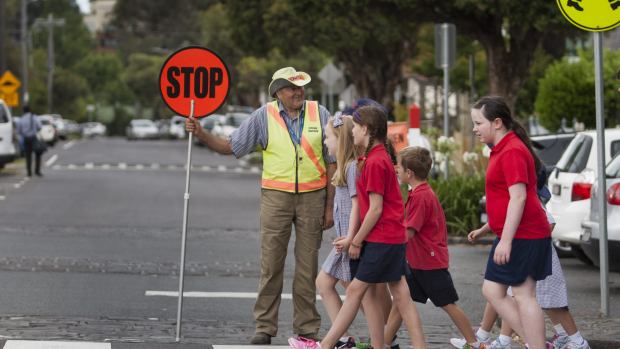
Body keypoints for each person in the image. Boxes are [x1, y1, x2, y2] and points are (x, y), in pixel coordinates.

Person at [185, 67, 337, 344]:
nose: (299, 92)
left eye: (301, 87)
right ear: (278, 91)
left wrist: (329, 208)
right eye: (292, 88)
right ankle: (265, 327)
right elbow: (230, 147)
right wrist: (200, 133)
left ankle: (307, 328)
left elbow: (331, 162)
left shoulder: (320, 113)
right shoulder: (263, 116)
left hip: (313, 198)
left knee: (308, 266)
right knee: (271, 264)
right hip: (276, 198)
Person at [288, 104, 427, 349]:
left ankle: (327, 345)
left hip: (382, 237)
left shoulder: (373, 162)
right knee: (399, 296)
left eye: (356, 127)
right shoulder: (373, 158)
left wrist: (355, 241)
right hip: (389, 237)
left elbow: (374, 209)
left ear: (366, 129)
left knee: (356, 292)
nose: (351, 131)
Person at [452, 167, 590, 349]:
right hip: (526, 253)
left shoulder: (531, 202)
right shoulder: (523, 199)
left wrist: (532, 241)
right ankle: (503, 339)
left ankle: (572, 340)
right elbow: (502, 217)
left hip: (531, 256)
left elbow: (549, 223)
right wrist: (483, 231)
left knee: (539, 301)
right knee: (508, 295)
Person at [379, 146, 485, 349]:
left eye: (399, 167)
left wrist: (383, 238)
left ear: (409, 173)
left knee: (447, 304)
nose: (396, 170)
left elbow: (409, 232)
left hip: (429, 262)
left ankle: (474, 344)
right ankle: (383, 343)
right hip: (419, 261)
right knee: (400, 302)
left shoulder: (421, 196)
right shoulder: (419, 192)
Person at [468, 96, 553, 349]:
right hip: (515, 233)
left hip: (523, 235)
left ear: (496, 123)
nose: (474, 129)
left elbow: (518, 198)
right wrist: (488, 228)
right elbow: (505, 199)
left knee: (520, 295)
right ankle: (536, 344)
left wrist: (505, 240)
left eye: (478, 123)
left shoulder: (512, 150)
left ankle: (536, 344)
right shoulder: (503, 148)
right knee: (501, 293)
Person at [315, 112, 364, 349]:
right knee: (325, 284)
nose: (325, 142)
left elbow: (357, 206)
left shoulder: (353, 168)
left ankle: (384, 335)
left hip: (349, 242)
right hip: (344, 241)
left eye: (327, 138)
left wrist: (353, 240)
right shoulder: (345, 168)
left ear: (340, 140)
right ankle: (343, 339)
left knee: (361, 295)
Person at [17, 105, 43, 177]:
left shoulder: (21, 119)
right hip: (33, 138)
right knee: (38, 154)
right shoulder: (34, 117)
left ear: (23, 111)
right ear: (30, 110)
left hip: (26, 139)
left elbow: (19, 131)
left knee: (28, 155)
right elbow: (40, 126)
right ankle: (37, 170)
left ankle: (29, 172)